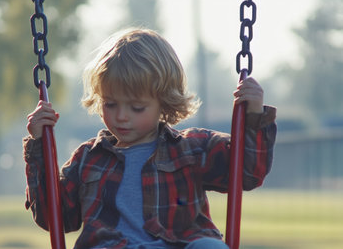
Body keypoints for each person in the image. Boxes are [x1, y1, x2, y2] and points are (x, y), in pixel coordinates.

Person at [23, 28, 277, 249]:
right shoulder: (88, 159)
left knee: (211, 246)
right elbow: (54, 216)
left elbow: (248, 172)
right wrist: (38, 146)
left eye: (137, 108)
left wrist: (253, 115)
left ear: (163, 104)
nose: (122, 117)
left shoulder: (191, 149)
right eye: (111, 104)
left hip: (180, 244)